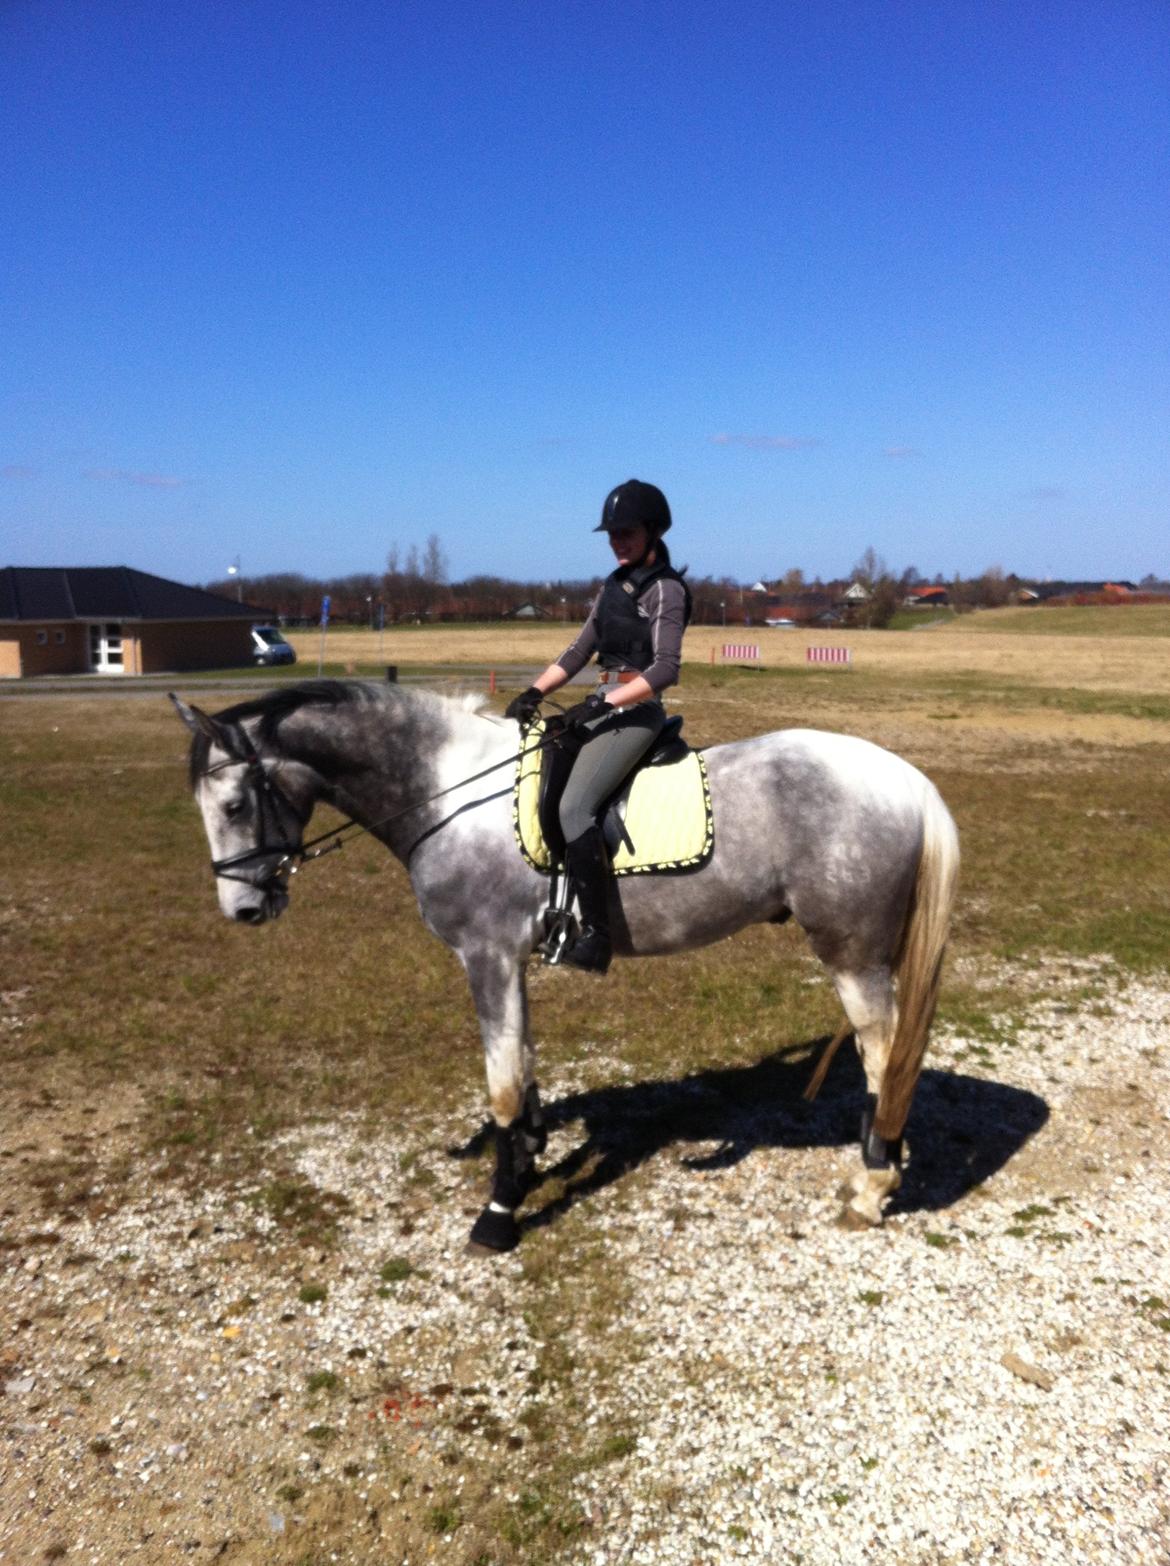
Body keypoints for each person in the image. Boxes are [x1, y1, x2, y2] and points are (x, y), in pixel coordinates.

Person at [505, 479, 691, 974]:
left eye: (626, 532)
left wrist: (606, 701)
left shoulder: (666, 590)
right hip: (601, 705)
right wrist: (534, 691)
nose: (616, 542)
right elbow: (578, 651)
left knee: (575, 807)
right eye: (611, 534)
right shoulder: (612, 586)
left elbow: (664, 669)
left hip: (636, 712)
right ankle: (557, 904)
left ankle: (597, 936)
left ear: (653, 531)